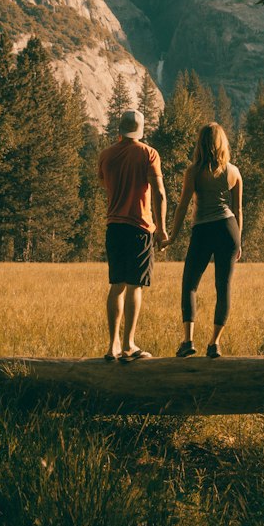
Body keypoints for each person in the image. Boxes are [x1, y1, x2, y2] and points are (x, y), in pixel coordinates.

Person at [97, 108, 168, 362]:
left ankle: (112, 345)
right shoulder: (148, 154)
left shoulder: (106, 155)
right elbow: (159, 192)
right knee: (135, 286)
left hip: (114, 226)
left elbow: (105, 184)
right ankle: (128, 345)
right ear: (140, 130)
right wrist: (161, 229)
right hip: (139, 227)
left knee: (116, 285)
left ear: (119, 129)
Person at [167, 121, 242, 359]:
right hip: (228, 229)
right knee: (224, 286)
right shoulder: (233, 172)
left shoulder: (194, 172)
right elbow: (238, 209)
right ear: (222, 144)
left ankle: (188, 341)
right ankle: (214, 344)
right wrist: (239, 240)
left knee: (190, 284)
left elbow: (182, 207)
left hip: (203, 230)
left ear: (201, 144)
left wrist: (172, 236)